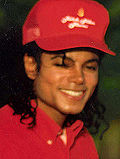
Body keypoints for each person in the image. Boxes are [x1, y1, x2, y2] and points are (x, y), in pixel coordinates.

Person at [0, 0, 116, 158]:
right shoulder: (4, 136)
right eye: (63, 64)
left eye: (90, 67)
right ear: (31, 66)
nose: (79, 78)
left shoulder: (80, 138)